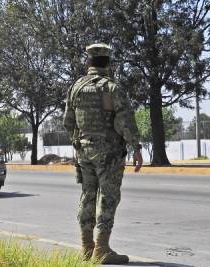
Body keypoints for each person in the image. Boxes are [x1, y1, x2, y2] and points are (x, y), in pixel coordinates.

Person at [63, 43, 143, 264]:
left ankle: (87, 248)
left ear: (88, 62)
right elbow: (125, 122)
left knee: (87, 196)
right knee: (108, 198)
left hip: (83, 150)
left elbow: (68, 122)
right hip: (108, 152)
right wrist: (136, 148)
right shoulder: (111, 88)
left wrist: (80, 142)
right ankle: (102, 249)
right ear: (108, 63)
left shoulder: (76, 87)